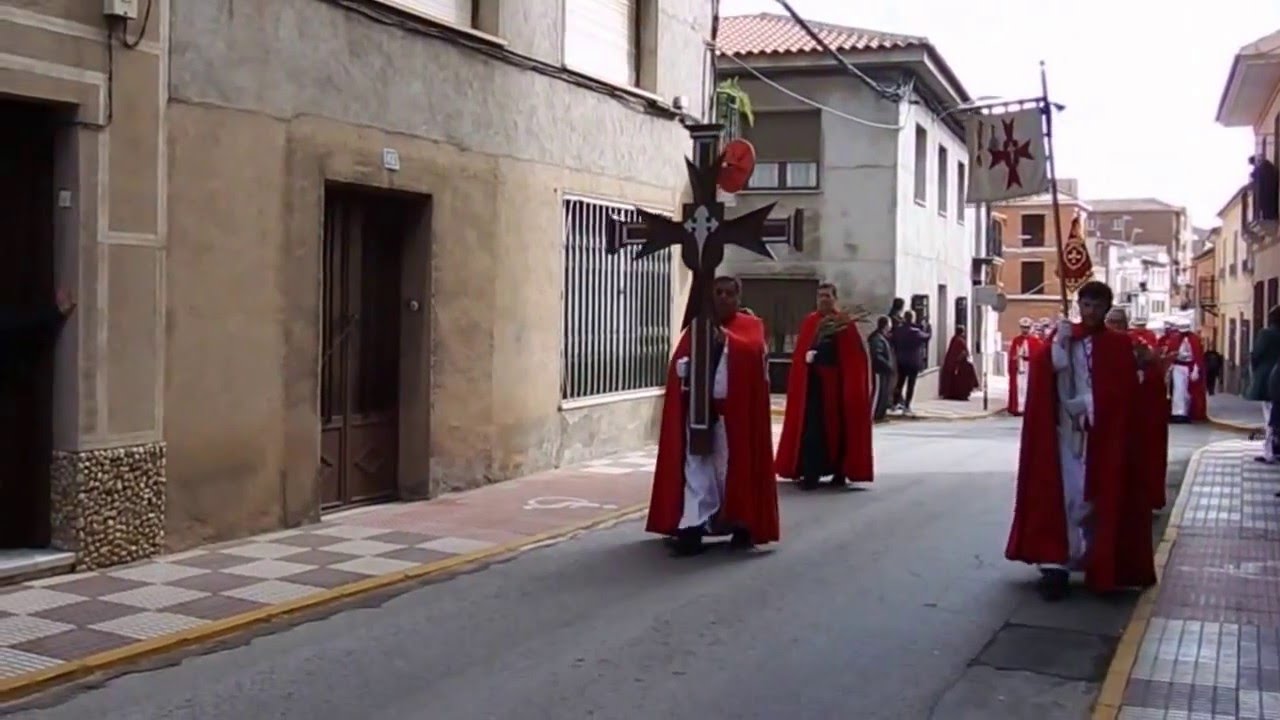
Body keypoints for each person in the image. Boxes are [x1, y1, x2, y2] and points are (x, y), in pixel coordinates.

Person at [1005, 281, 1157, 601]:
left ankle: (1096, 560)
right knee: (1064, 494)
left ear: (1106, 308)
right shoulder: (1064, 337)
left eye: (1097, 306)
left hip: (1101, 434)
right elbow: (1047, 372)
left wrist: (1092, 403)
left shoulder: (1117, 345)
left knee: (1095, 498)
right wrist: (1056, 348)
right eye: (1086, 305)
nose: (1090, 312)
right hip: (1064, 431)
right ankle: (1056, 561)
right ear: (1079, 305)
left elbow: (1124, 389)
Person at [647, 276, 779, 556]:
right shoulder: (698, 326)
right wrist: (684, 369)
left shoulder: (750, 327)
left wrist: (726, 342)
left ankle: (742, 524)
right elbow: (681, 362)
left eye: (728, 293)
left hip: (733, 419)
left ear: (738, 297)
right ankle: (692, 528)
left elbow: (751, 355)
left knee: (731, 472)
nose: (722, 297)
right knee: (696, 470)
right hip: (698, 414)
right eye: (717, 292)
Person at [775, 283, 874, 490]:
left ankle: (840, 471)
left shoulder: (844, 324)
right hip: (813, 389)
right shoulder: (811, 322)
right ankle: (810, 474)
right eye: (820, 296)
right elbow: (801, 353)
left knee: (838, 430)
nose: (824, 299)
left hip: (835, 389)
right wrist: (808, 358)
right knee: (811, 431)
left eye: (828, 296)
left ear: (835, 298)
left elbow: (853, 358)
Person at [1106, 307, 1168, 510]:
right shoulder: (1099, 344)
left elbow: (1151, 381)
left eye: (1117, 322)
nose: (1113, 326)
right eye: (1110, 321)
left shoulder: (1139, 347)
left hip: (1135, 417)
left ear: (1125, 324)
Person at [1248, 306, 1280, 463]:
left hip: (1268, 381)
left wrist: (1255, 372)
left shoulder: (1266, 334)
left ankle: (1269, 452)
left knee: (1270, 418)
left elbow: (1256, 355)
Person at [1161, 321, 1208, 424]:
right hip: (1178, 366)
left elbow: (1198, 355)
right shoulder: (1175, 339)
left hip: (1190, 367)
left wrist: (1196, 369)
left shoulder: (1194, 339)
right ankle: (1178, 413)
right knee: (1179, 389)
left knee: (1188, 391)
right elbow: (1170, 353)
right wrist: (1170, 365)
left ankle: (1187, 412)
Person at [890, 310, 931, 415]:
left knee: (899, 383)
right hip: (913, 361)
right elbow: (927, 337)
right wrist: (928, 328)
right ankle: (907, 406)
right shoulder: (915, 332)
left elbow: (892, 339)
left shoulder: (898, 331)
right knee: (910, 384)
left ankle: (894, 403)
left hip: (901, 360)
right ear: (912, 318)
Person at [1007, 317, 1042, 417]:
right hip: (1019, 367)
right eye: (1023, 327)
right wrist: (1016, 360)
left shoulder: (1035, 341)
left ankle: (1028, 408)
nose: (1025, 330)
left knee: (1029, 387)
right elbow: (1013, 355)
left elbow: (1038, 355)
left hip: (1030, 367)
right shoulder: (1016, 340)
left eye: (1027, 327)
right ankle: (1018, 408)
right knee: (1019, 387)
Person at [939, 325, 980, 401]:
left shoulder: (954, 339)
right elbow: (963, 353)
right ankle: (962, 394)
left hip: (952, 364)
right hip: (959, 364)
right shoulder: (960, 340)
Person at [868, 316, 896, 421]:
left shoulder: (882, 337)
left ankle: (880, 414)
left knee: (884, 393)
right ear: (885, 325)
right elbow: (877, 355)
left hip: (884, 371)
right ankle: (876, 414)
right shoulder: (877, 338)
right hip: (879, 371)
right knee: (879, 393)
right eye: (889, 324)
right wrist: (888, 366)